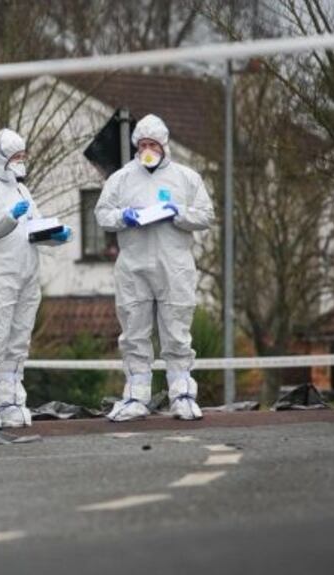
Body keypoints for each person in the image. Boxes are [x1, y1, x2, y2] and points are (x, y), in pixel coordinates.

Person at [94, 114, 214, 422]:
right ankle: (136, 396)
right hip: (134, 266)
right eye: (143, 144)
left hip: (174, 266)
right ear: (136, 145)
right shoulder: (121, 179)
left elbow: (205, 215)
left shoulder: (185, 178)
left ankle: (183, 395)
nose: (148, 149)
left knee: (176, 332)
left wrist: (177, 212)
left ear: (164, 145)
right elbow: (102, 214)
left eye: (153, 144)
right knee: (134, 332)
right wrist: (125, 217)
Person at [0, 128, 72, 430]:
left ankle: (10, 400)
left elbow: (33, 229)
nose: (21, 161)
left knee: (18, 341)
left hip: (26, 272)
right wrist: (9, 217)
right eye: (16, 156)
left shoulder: (23, 191)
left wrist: (54, 236)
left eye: (23, 156)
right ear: (2, 158)